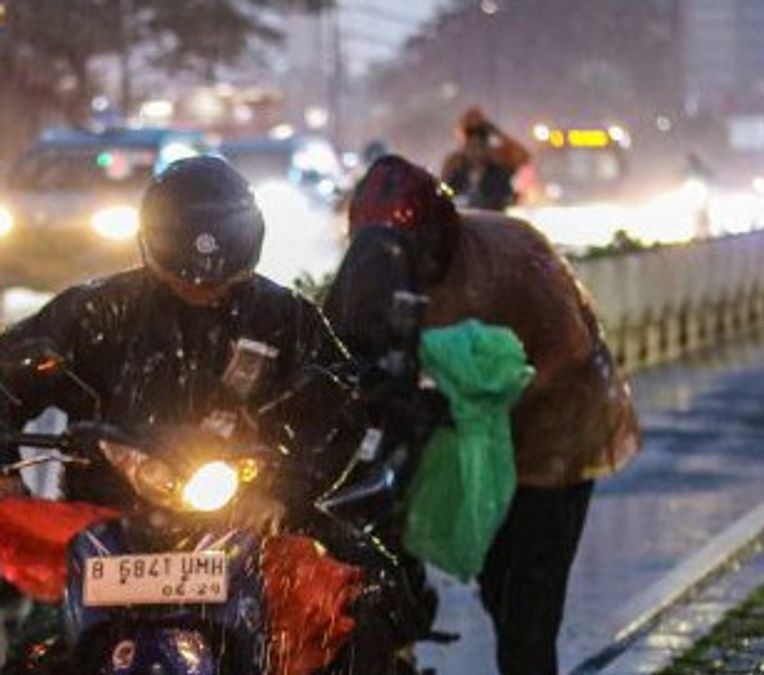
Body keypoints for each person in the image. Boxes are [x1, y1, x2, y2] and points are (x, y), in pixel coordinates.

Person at [0, 156, 433, 673]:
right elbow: (9, 373)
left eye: (219, 279)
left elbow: (338, 406)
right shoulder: (95, 312)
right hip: (103, 525)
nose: (202, 288)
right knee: (35, 651)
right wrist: (5, 467)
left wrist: (280, 490)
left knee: (369, 598)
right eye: (185, 277)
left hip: (252, 518)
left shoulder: (286, 318)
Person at [328, 155, 641, 675]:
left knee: (528, 602)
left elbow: (570, 352)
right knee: (496, 584)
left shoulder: (512, 255)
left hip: (556, 439)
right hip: (464, 440)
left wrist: (477, 401)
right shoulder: (375, 268)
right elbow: (342, 348)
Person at [440, 107, 531, 211]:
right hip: (462, 219)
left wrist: (497, 132)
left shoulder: (499, 170)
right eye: (471, 148)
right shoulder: (455, 165)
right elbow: (444, 190)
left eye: (480, 148)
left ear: (487, 148)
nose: (476, 153)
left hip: (493, 219)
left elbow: (523, 156)